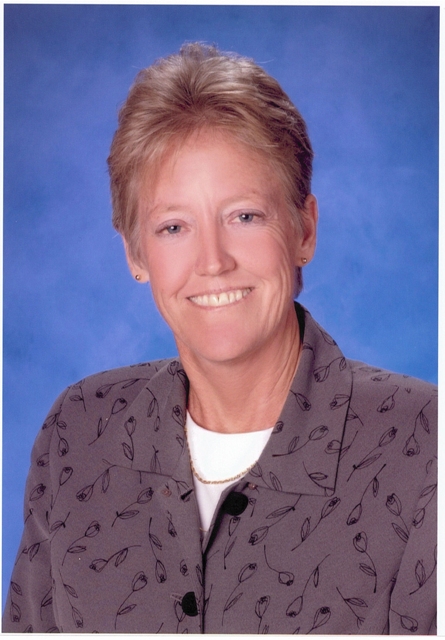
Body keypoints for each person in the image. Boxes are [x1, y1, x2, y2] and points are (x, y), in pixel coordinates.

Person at [3, 43, 436, 634]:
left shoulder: (423, 445)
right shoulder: (79, 434)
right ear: (135, 253)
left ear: (304, 230)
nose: (212, 261)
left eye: (244, 216)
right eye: (173, 226)